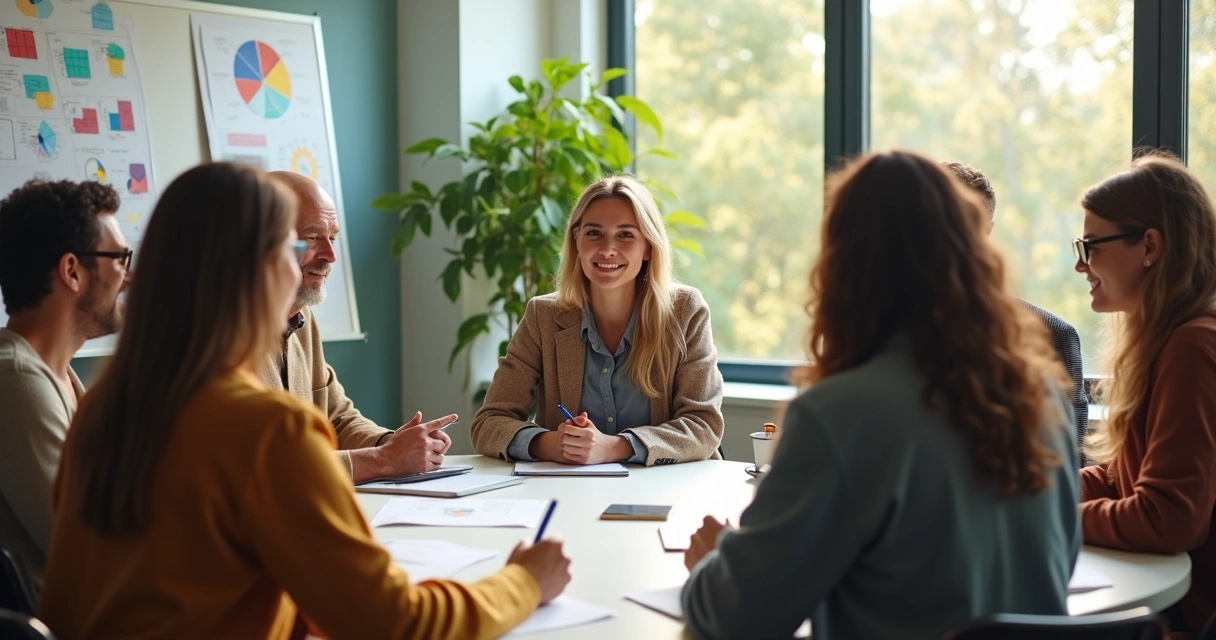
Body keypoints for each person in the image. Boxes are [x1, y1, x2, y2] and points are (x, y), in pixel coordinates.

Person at [38, 163, 571, 639]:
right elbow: (396, 624)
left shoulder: (103, 407)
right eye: (293, 250)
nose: (307, 267)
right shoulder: (266, 428)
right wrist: (523, 582)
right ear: (256, 268)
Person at [681, 151, 1080, 640]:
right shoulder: (1041, 393)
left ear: (843, 262)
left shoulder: (840, 412)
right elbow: (1061, 562)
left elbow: (736, 619)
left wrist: (717, 562)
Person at [471, 175, 724, 466]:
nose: (607, 249)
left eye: (626, 235)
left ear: (648, 248)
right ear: (576, 241)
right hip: (569, 492)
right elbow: (488, 423)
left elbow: (704, 426)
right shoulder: (543, 316)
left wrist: (615, 447)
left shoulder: (685, 311)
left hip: (667, 491)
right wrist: (549, 444)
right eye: (594, 233)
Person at [1075, 154, 1216, 639]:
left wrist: (1049, 520)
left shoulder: (1193, 345)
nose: (1080, 264)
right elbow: (1125, 479)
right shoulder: (1174, 340)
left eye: (1091, 246)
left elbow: (1168, 518)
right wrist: (1035, 495)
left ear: (1149, 245)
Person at [261, 171, 452, 484]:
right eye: (312, 237)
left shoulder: (303, 320)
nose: (330, 255)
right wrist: (385, 460)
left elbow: (337, 418)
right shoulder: (218, 338)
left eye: (332, 238)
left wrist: (390, 443)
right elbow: (267, 466)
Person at [0, 179, 130, 599]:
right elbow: (89, 547)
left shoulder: (59, 378)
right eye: (119, 259)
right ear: (72, 271)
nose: (127, 279)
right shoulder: (14, 380)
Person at [944, 161, 1089, 462]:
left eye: (967, 224)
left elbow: (1067, 475)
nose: (951, 239)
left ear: (987, 232)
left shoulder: (1053, 338)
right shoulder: (880, 337)